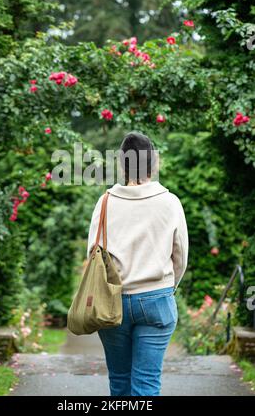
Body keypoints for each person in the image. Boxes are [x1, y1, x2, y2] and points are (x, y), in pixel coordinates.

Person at [86, 131, 189, 396]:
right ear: (154, 163)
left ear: (122, 164)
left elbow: (93, 254)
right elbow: (180, 256)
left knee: (119, 382)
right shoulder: (170, 202)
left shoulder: (105, 202)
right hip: (157, 299)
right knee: (146, 384)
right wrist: (168, 286)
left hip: (112, 303)